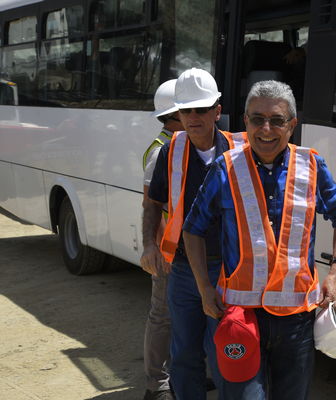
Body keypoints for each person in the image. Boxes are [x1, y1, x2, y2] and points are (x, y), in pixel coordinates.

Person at [182, 80, 336, 400]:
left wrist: (335, 274)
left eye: (276, 120)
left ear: (292, 124)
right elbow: (192, 228)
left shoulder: (312, 164)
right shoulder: (226, 168)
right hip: (239, 317)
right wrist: (204, 288)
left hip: (297, 323)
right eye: (256, 119)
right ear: (244, 122)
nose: (266, 128)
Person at [141, 68, 247, 400]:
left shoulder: (242, 151)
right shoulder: (169, 152)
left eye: (201, 109)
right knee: (185, 353)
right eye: (186, 110)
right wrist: (148, 245)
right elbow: (152, 204)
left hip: (230, 272)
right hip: (183, 271)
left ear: (217, 110)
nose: (193, 117)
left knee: (228, 353)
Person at [140, 79, 181, 400]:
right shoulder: (161, 152)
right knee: (162, 315)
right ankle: (157, 385)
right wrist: (152, 248)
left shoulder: (181, 146)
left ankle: (180, 374)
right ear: (175, 114)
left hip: (184, 248)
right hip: (168, 250)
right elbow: (150, 205)